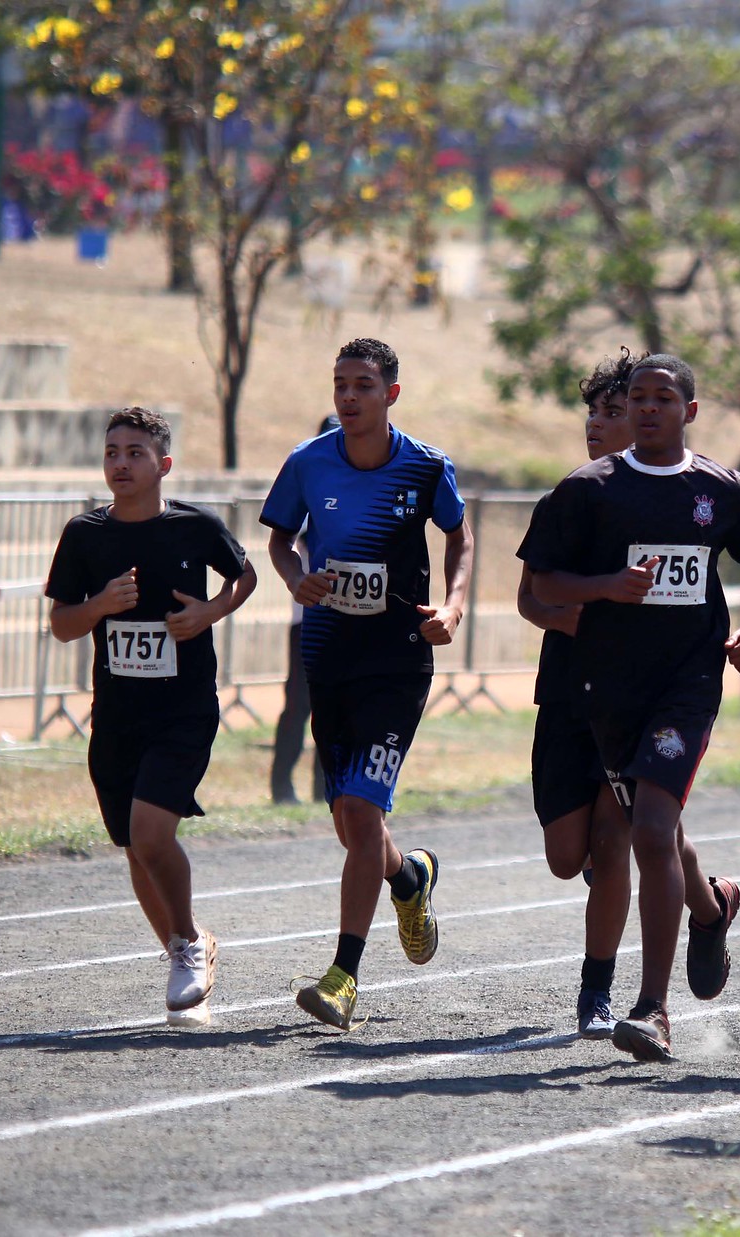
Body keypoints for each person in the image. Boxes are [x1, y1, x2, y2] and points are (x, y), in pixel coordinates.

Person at [518, 354, 740, 1063]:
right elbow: (540, 579)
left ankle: (650, 1008)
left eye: (660, 397)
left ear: (689, 411)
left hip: (687, 684)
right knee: (598, 845)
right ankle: (712, 907)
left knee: (648, 828)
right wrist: (607, 585)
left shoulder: (717, 488)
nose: (645, 408)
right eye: (635, 397)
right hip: (606, 692)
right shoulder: (587, 489)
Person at [260, 338, 474, 1030]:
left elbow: (460, 536)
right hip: (330, 655)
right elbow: (278, 541)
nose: (348, 397)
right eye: (340, 384)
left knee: (360, 803)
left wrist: (453, 604)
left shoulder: (425, 465)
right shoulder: (306, 461)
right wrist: (297, 578)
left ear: (390, 395)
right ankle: (409, 879)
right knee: (352, 821)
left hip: (399, 657)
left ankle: (343, 975)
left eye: (363, 385)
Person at [45, 407, 258, 1026]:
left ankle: (189, 941)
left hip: (184, 710)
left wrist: (210, 612)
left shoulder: (195, 528)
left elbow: (244, 575)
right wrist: (101, 605)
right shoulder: (85, 535)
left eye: (135, 453)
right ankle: (184, 949)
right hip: (116, 715)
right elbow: (61, 624)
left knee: (151, 834)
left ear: (163, 465)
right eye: (112, 451)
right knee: (135, 849)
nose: (121, 463)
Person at [515, 350, 642, 1039]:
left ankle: (596, 992)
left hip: (634, 701)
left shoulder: (668, 502)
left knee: (611, 836)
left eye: (613, 411)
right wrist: (582, 616)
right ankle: (705, 900)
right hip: (565, 691)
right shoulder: (565, 498)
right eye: (593, 411)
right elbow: (528, 598)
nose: (597, 422)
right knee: (568, 857)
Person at [270, 412, 342, 805]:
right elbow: (289, 539)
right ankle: (281, 787)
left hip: (351, 620)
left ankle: (324, 791)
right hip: (309, 620)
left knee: (335, 710)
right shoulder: (310, 486)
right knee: (298, 704)